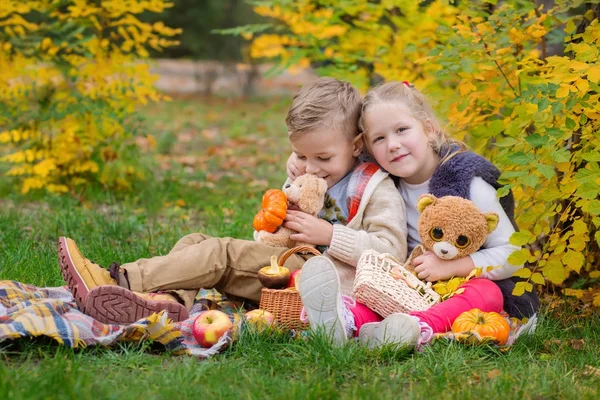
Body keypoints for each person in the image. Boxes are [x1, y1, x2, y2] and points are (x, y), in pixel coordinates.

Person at [58, 77, 408, 327]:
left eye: (322, 157)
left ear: (357, 145)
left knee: (220, 252)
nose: (310, 167)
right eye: (300, 154)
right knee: (196, 242)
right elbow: (266, 240)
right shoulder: (304, 175)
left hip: (322, 285)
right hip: (284, 269)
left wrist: (328, 235)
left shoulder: (374, 187)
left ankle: (120, 280)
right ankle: (169, 303)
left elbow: (392, 252)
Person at [290, 80, 539, 350]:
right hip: (407, 287)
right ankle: (346, 321)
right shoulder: (380, 180)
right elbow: (329, 159)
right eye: (379, 139)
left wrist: (453, 266)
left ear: (429, 129)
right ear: (367, 149)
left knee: (486, 293)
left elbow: (514, 256)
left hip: (460, 286)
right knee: (369, 291)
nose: (393, 145)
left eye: (402, 130)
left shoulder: (468, 182)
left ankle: (415, 326)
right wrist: (296, 162)